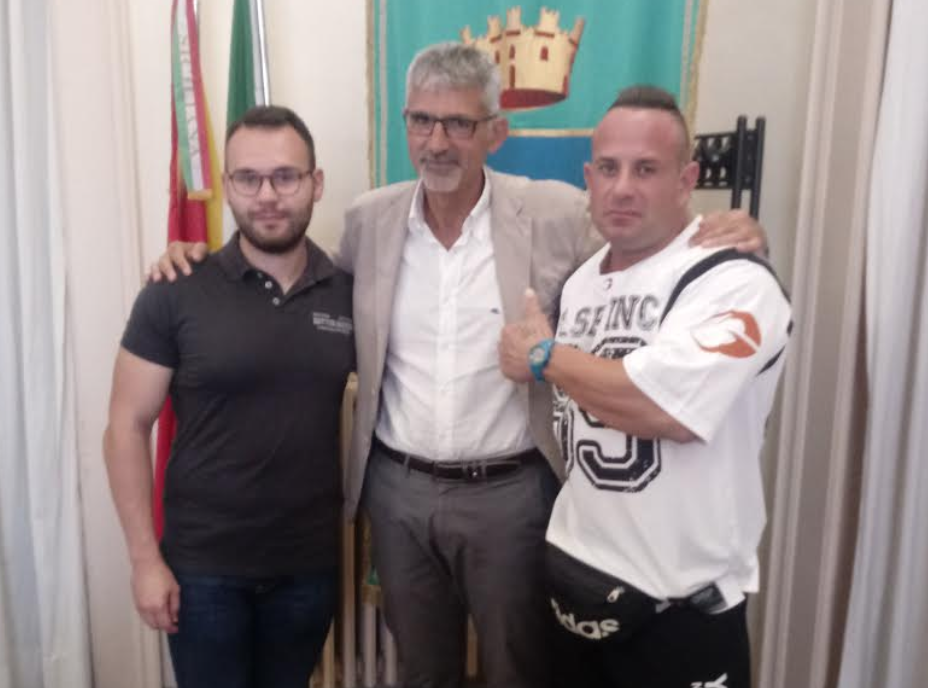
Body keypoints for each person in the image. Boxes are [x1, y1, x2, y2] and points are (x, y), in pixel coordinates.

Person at [151, 44, 767, 688]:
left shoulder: (554, 213)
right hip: (398, 493)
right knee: (422, 670)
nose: (437, 141)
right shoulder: (370, 220)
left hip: (512, 493)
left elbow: (643, 243)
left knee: (518, 669)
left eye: (458, 123)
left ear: (495, 132)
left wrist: (722, 231)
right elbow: (296, 275)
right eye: (422, 120)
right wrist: (198, 259)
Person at [498, 85, 792, 688]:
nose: (623, 188)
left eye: (646, 169)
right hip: (578, 586)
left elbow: (665, 409)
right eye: (608, 169)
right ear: (588, 178)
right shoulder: (581, 280)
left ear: (686, 181)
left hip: (680, 609)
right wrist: (534, 358)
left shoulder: (735, 279)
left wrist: (544, 357)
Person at [102, 105, 354, 688]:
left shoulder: (348, 292)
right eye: (248, 178)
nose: (267, 195)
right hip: (203, 573)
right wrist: (144, 560)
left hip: (308, 569)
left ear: (316, 183)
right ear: (227, 185)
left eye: (285, 177)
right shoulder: (175, 291)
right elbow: (125, 427)